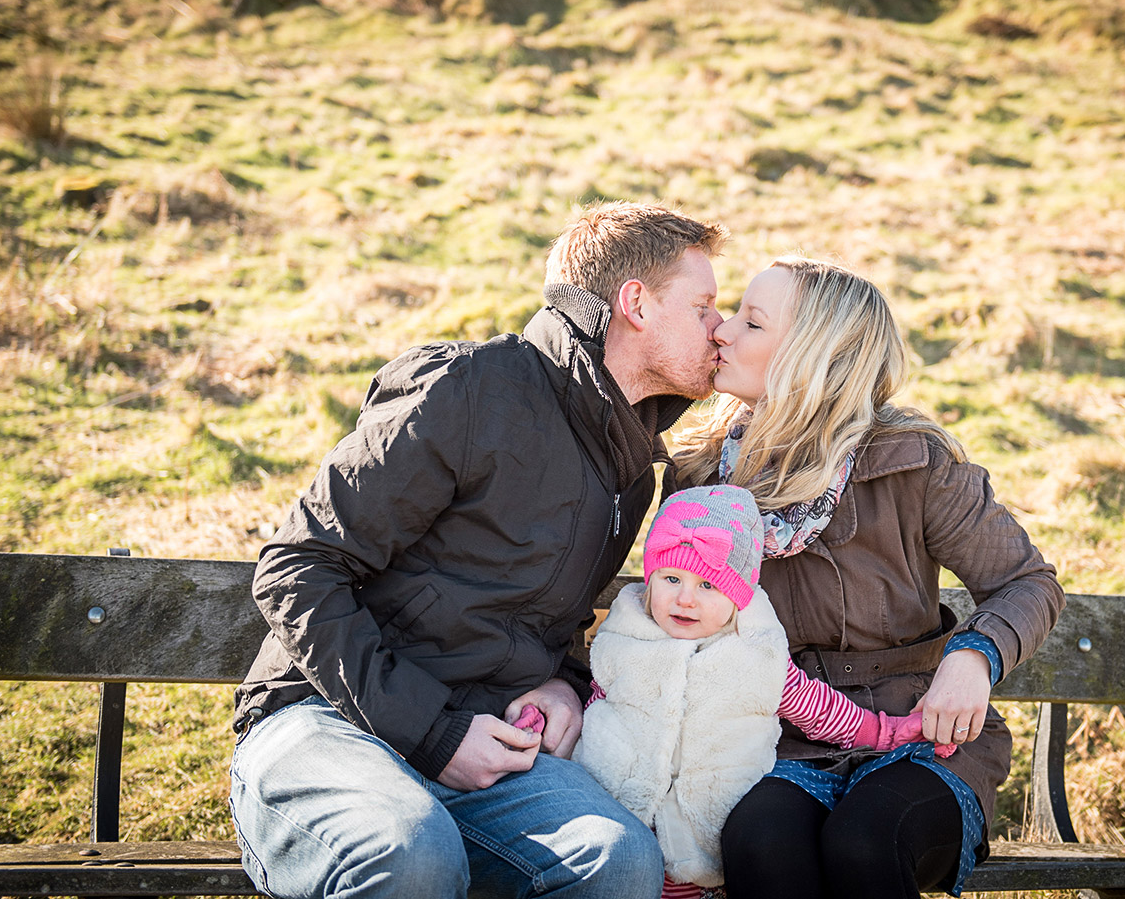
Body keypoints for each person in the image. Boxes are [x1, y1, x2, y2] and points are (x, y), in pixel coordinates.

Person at [229, 201, 729, 899]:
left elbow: (533, 615)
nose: (721, 327)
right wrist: (433, 732)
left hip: (483, 740)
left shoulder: (627, 468)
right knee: (411, 854)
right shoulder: (467, 390)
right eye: (704, 304)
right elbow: (297, 569)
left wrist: (565, 683)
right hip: (325, 718)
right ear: (636, 303)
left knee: (618, 862)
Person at [672, 257, 1066, 899]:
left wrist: (974, 656)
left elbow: (1028, 583)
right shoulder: (702, 480)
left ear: (812, 355)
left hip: (923, 739)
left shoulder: (913, 463)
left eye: (752, 321)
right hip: (785, 742)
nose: (722, 331)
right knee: (759, 844)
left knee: (865, 841)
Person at [573, 484, 951, 899]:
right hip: (619, 812)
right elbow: (596, 707)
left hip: (703, 829)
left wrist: (889, 733)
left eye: (707, 586)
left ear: (738, 597)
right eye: (671, 578)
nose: (684, 600)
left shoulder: (754, 657)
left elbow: (822, 711)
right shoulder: (627, 638)